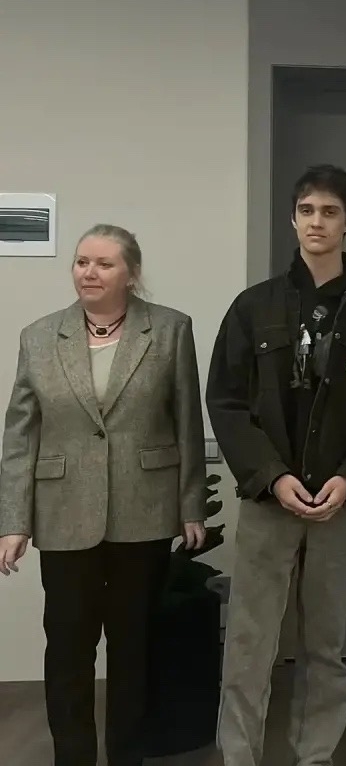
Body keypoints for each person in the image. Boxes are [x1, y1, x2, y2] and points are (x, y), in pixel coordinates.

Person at [207, 164, 346, 766]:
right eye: (307, 211)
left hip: (339, 505)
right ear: (293, 219)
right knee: (249, 643)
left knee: (325, 644)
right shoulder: (254, 307)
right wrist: (271, 476)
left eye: (330, 212)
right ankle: (239, 756)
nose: (317, 222)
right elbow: (226, 401)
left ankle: (315, 755)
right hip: (268, 501)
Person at [0, 224, 206, 766]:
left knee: (134, 648)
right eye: (81, 262)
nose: (88, 272)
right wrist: (13, 520)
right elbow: (19, 435)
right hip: (63, 512)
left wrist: (190, 505)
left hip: (145, 508)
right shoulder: (39, 336)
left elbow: (187, 421)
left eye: (103, 264)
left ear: (131, 274)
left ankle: (127, 756)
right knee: (67, 648)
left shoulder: (170, 329)